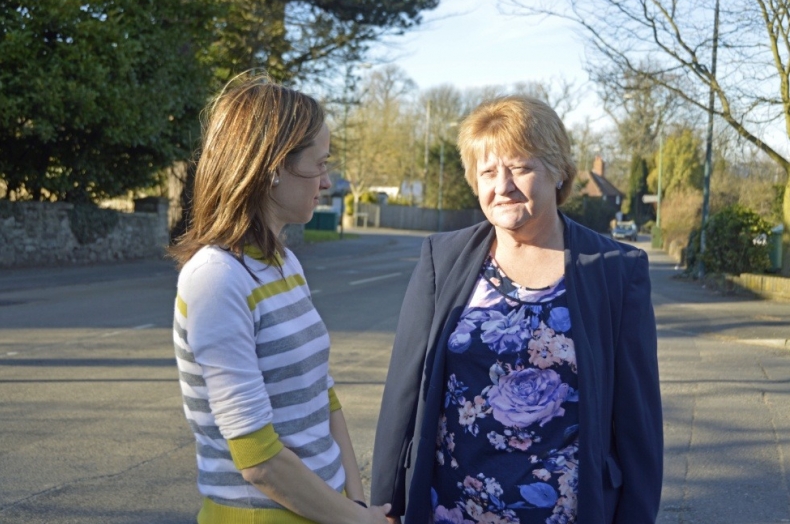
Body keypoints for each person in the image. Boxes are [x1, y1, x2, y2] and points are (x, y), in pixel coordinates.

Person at [370, 95, 662, 524]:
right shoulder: (441, 258)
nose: (502, 186)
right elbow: (403, 395)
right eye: (487, 171)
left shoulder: (616, 270)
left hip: (566, 512)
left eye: (521, 168)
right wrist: (386, 506)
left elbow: (638, 423)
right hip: (451, 509)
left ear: (559, 170)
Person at [169, 72, 391, 524]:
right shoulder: (216, 278)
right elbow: (257, 457)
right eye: (320, 164)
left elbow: (322, 394)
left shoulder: (283, 262)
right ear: (273, 168)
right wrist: (355, 520)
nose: (327, 182)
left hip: (324, 510)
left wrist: (356, 500)